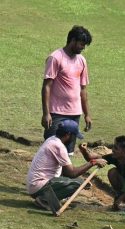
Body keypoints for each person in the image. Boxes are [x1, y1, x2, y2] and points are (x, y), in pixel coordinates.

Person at [27, 120, 107, 214]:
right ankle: (44, 200)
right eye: (74, 136)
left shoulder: (52, 139)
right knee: (78, 184)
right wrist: (93, 162)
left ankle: (48, 197)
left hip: (35, 185)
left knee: (79, 181)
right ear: (68, 134)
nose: (74, 139)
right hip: (39, 186)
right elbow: (71, 173)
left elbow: (66, 171)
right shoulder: (58, 146)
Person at [42, 25, 93, 155]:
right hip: (57, 113)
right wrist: (46, 113)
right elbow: (46, 86)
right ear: (72, 40)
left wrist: (87, 114)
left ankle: (64, 175)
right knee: (52, 150)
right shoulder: (56, 57)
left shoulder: (81, 60)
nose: (83, 47)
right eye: (81, 44)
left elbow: (83, 89)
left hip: (75, 113)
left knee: (68, 152)